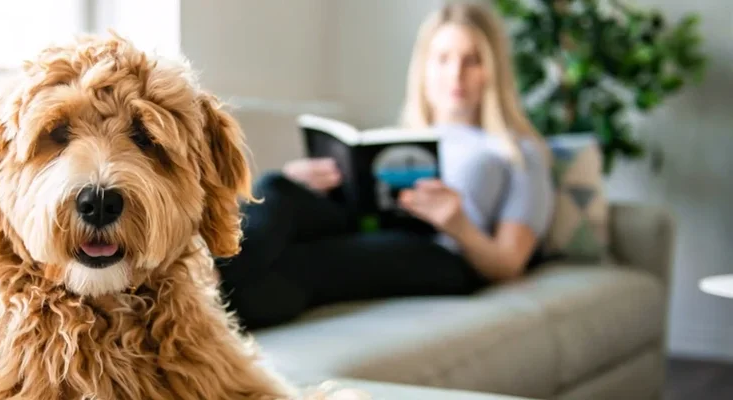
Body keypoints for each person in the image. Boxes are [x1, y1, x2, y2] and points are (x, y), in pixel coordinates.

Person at [217, 0, 555, 331]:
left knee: (307, 263)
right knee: (277, 188)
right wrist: (309, 184)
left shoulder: (518, 150)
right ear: (424, 69)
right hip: (368, 224)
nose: (456, 74)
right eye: (443, 59)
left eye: (473, 61)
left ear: (493, 71)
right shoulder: (402, 136)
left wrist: (459, 225)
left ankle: (200, 303)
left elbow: (509, 264)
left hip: (442, 252)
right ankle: (206, 280)